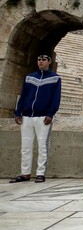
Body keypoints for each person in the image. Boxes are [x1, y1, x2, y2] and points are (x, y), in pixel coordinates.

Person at [10, 54, 61, 183]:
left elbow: (56, 98)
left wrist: (50, 113)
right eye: (39, 60)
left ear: (49, 62)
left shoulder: (55, 78)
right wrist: (17, 112)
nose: (41, 62)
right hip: (26, 115)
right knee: (26, 146)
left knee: (43, 145)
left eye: (44, 60)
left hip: (43, 116)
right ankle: (25, 173)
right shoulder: (29, 77)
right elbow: (23, 96)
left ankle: (40, 173)